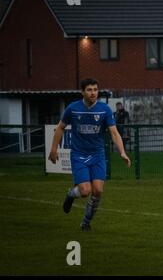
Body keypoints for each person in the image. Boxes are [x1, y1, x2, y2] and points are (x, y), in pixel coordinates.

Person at [48, 78, 131, 231]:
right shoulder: (73, 108)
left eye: (95, 90)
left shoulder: (104, 109)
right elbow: (60, 128)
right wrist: (54, 149)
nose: (93, 93)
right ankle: (71, 194)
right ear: (82, 92)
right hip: (79, 154)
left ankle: (86, 223)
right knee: (85, 191)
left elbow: (114, 133)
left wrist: (122, 152)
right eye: (89, 90)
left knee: (98, 190)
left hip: (97, 155)